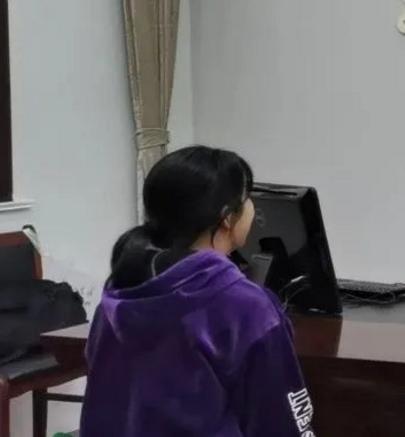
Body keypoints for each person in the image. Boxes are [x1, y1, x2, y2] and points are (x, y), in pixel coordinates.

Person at [80, 146, 314, 437]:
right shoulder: (246, 308)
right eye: (246, 198)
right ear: (227, 217)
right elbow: (280, 422)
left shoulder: (120, 292)